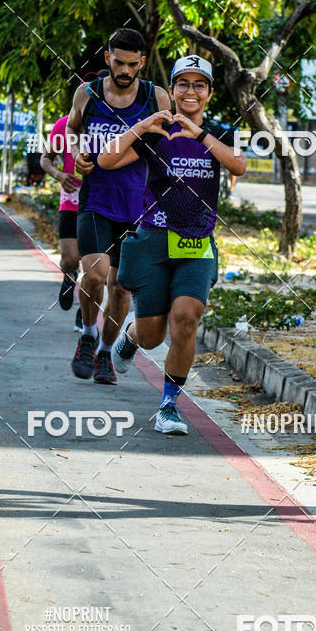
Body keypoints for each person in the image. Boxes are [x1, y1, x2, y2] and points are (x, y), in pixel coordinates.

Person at [99, 55, 246, 434]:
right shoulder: (155, 133)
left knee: (186, 318)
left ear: (210, 93)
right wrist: (143, 124)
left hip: (197, 243)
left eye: (200, 85)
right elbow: (107, 159)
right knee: (152, 336)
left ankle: (168, 405)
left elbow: (238, 166)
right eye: (184, 84)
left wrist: (199, 135)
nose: (191, 91)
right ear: (173, 90)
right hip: (153, 241)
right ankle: (132, 335)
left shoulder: (219, 133)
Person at [68, 28, 170, 385]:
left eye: (131, 64)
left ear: (141, 63)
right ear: (107, 58)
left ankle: (104, 353)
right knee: (95, 275)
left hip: (138, 206)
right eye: (118, 62)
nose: (124, 70)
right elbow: (73, 130)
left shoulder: (156, 97)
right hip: (95, 201)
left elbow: (165, 145)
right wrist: (78, 153)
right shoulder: (88, 93)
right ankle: (87, 335)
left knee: (121, 287)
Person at [40, 115, 83, 328]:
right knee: (70, 259)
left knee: (96, 268)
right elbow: (45, 158)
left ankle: (85, 315)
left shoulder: (111, 122)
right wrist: (58, 175)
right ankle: (69, 278)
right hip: (71, 196)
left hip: (103, 198)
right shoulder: (64, 124)